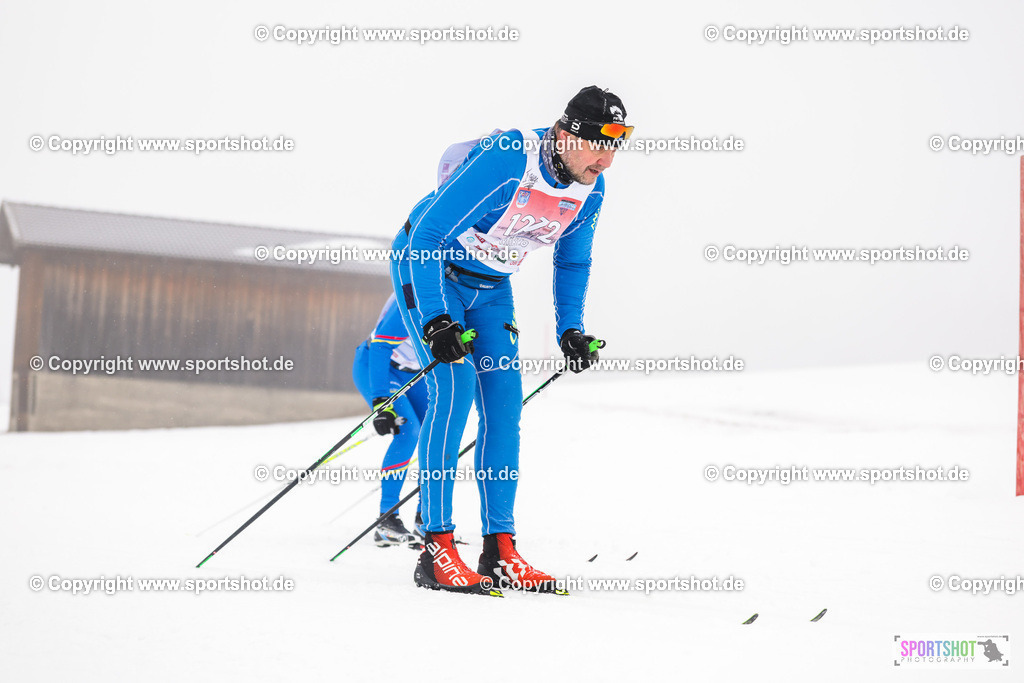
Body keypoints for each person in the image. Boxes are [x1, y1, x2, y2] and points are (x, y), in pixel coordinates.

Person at [389, 86, 630, 595]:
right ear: (565, 135)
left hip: (492, 287)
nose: (606, 160)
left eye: (618, 144)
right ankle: (436, 548)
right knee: (453, 393)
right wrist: (434, 319)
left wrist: (571, 328)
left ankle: (500, 550)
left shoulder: (592, 188)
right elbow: (427, 236)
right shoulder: (509, 159)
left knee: (503, 410)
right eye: (599, 144)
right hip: (431, 271)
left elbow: (573, 259)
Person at [351, 293, 428, 548]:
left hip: (417, 372)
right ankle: (387, 520)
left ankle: (427, 519)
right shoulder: (415, 290)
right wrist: (380, 402)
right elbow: (381, 346)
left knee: (435, 433)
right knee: (409, 432)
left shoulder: (462, 291)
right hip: (380, 364)